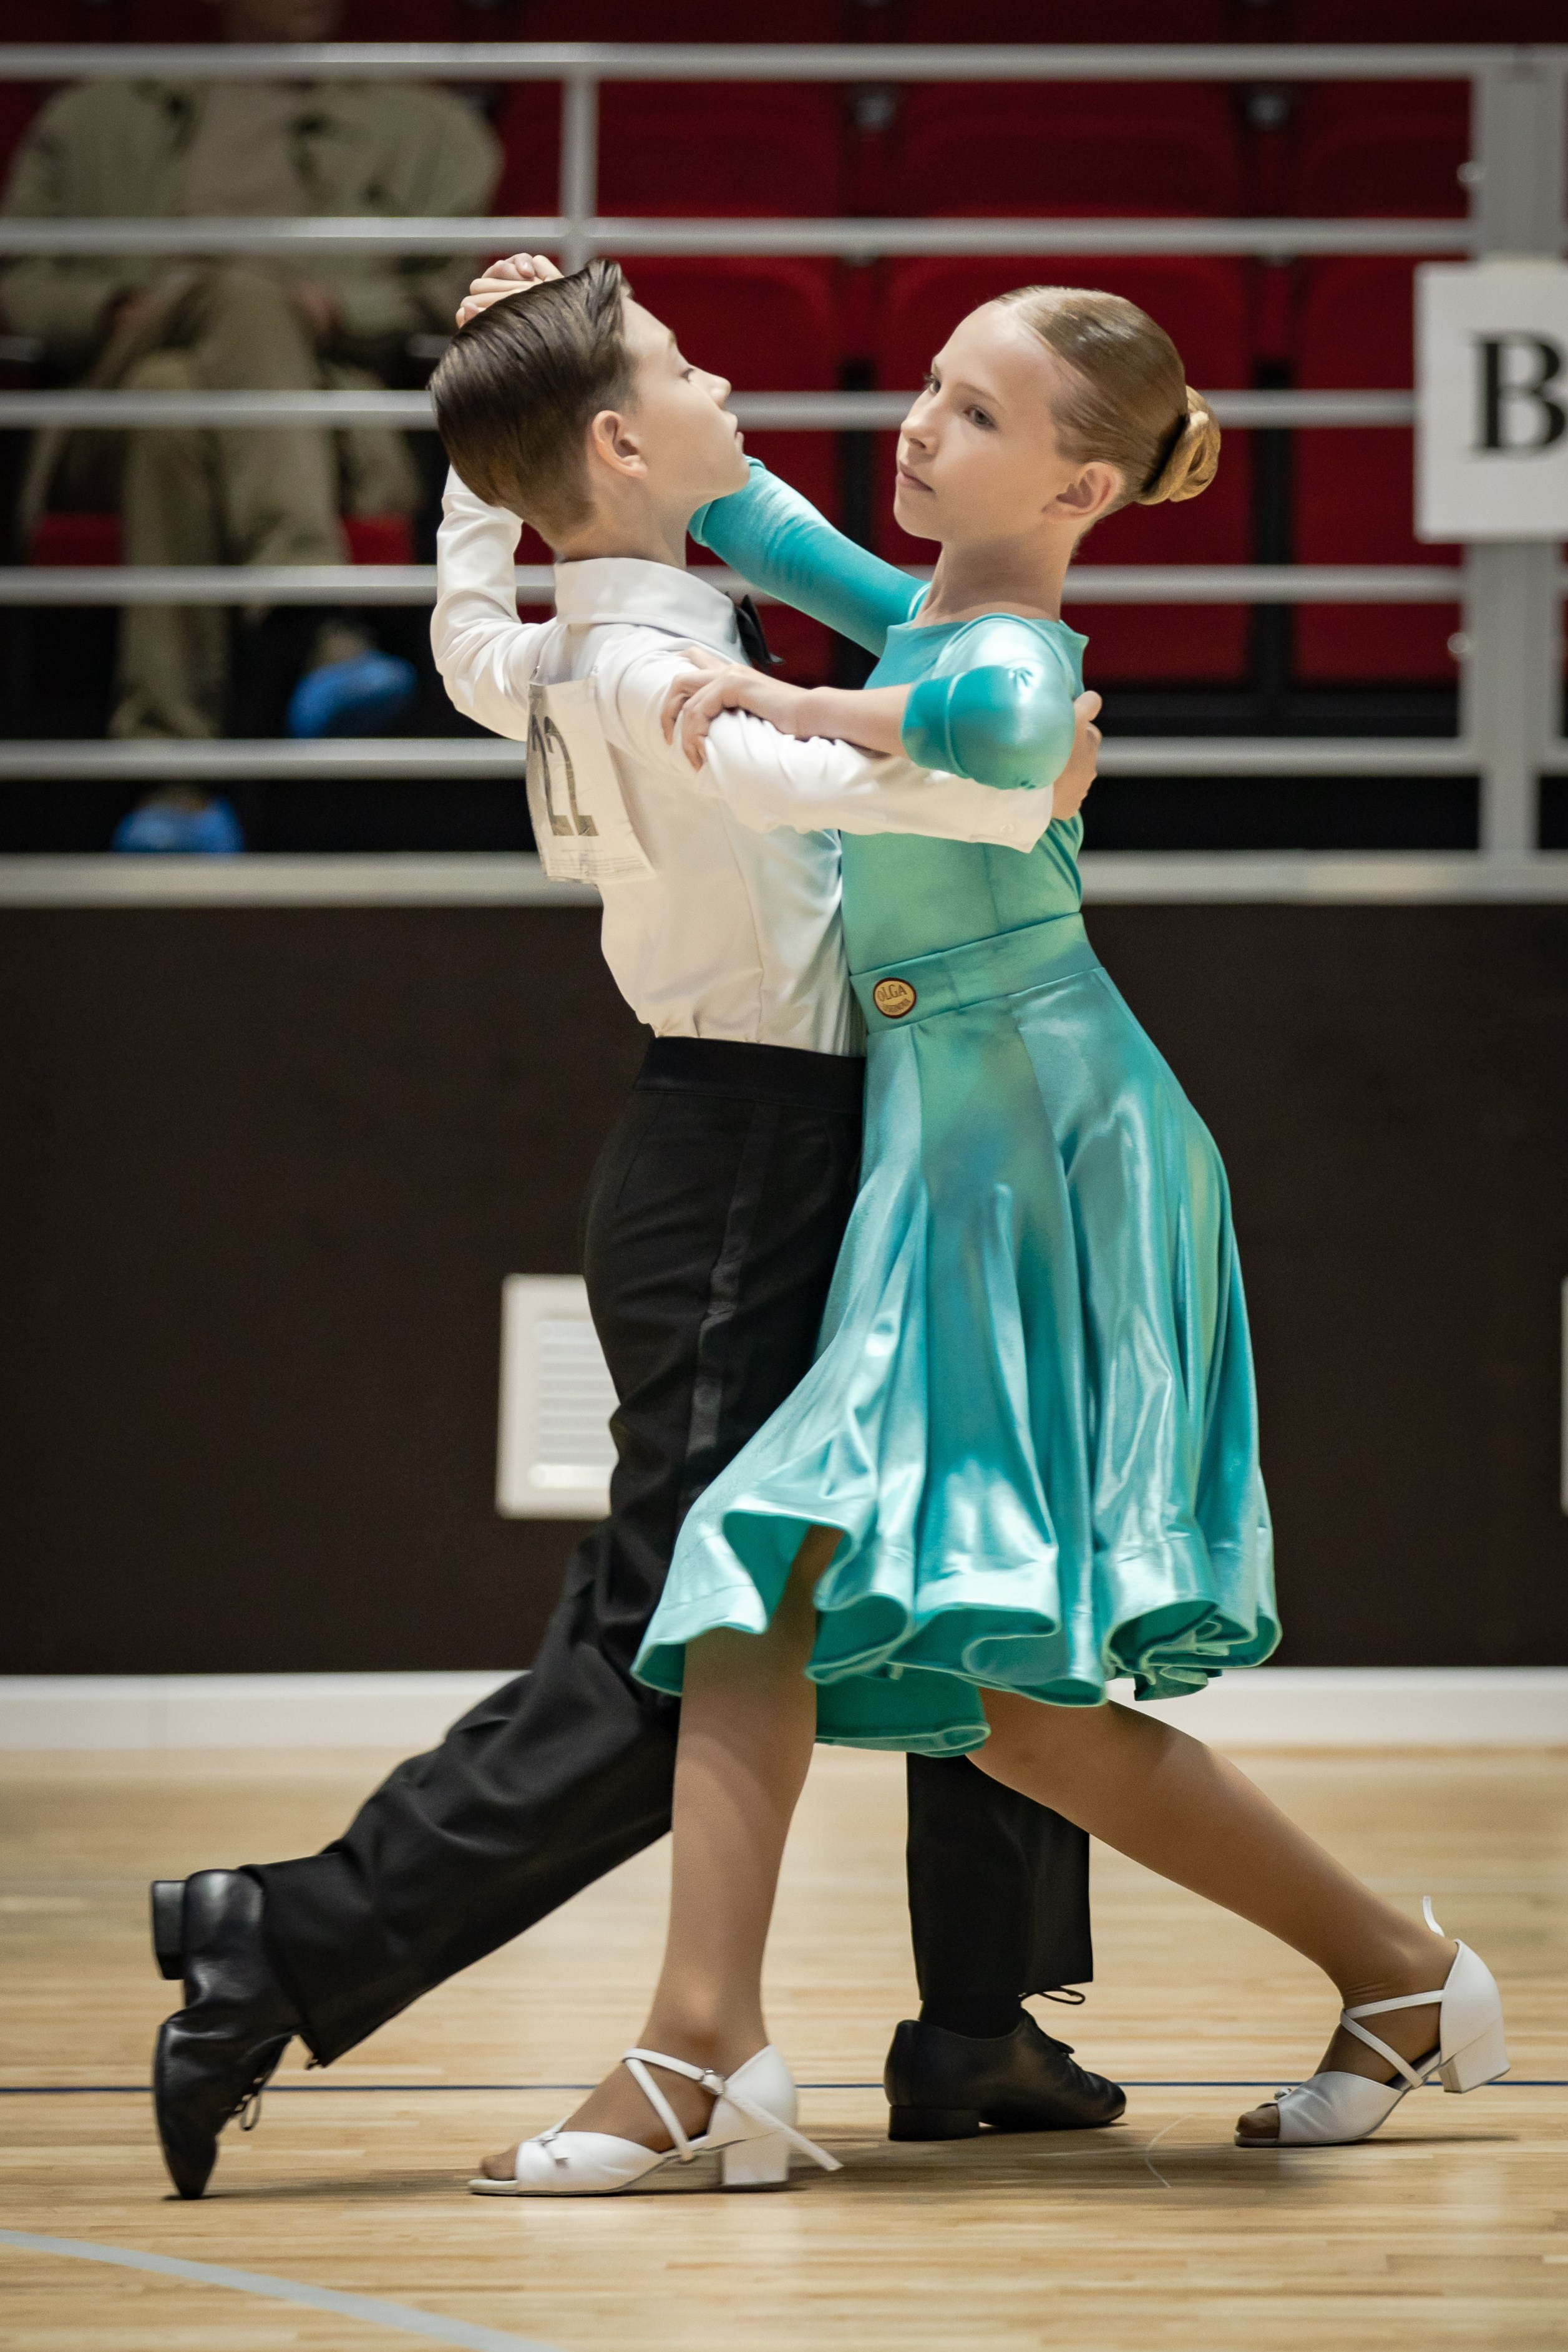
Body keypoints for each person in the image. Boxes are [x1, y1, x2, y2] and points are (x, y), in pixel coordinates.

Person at [478, 279, 1509, 2195]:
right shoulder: (934, 605)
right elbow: (744, 511)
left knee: (780, 1565)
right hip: (951, 1143)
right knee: (1010, 1713)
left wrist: (791, 700)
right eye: (932, 392)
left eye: (972, 414)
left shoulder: (1009, 649)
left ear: (1085, 479)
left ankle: (701, 2050)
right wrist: (557, 338)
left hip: (1046, 1148)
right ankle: (1401, 1973)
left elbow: (996, 736)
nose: (921, 428)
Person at [146, 256, 1124, 2203]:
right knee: (670, 1639)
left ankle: (982, 2017)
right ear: (616, 442)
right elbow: (824, 764)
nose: (723, 373)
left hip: (821, 1131)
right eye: (682, 365)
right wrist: (1035, 793)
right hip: (758, 1155)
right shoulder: (670, 665)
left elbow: (455, 635)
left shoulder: (561, 636)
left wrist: (470, 476)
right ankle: (289, 1937)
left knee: (975, 1532)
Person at [0, 0, 498, 830]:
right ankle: (313, 616)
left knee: (178, 394)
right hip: (105, 408)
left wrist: (339, 308)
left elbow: (457, 286)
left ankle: (177, 788)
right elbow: (17, 277)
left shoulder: (429, 130)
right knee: (226, 300)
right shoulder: (91, 117)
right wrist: (109, 307)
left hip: (322, 413)